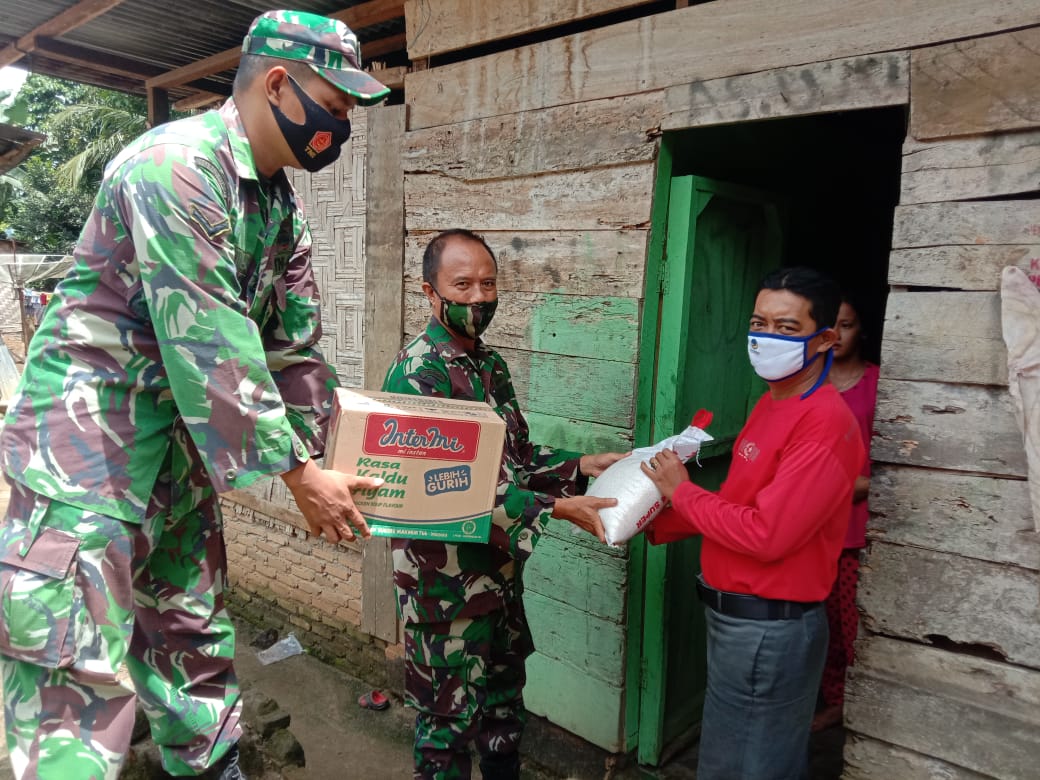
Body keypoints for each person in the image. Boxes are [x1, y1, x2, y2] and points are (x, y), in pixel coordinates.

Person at [0, 11, 390, 780]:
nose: (339, 127)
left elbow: (293, 348)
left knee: (190, 632)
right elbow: (208, 340)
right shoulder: (174, 166)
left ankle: (213, 770)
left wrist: (325, 457)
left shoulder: (277, 208)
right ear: (279, 84)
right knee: (76, 666)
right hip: (85, 455)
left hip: (176, 458)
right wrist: (298, 478)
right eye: (336, 106)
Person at [382, 228, 625, 780]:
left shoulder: (488, 366)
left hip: (498, 581)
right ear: (429, 292)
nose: (477, 297)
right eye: (461, 284)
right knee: (445, 734)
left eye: (487, 283)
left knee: (502, 720)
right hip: (444, 593)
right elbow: (436, 486)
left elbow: (513, 456)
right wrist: (556, 509)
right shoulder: (419, 375)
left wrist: (580, 467)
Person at [640, 266, 865, 780]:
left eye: (786, 328)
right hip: (740, 621)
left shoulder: (824, 422)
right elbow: (742, 503)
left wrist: (682, 490)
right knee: (729, 759)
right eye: (759, 323)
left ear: (825, 338)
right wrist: (655, 516)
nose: (765, 338)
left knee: (752, 767)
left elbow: (768, 533)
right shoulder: (774, 401)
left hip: (769, 626)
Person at [813, 294, 879, 732]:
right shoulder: (807, 382)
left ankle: (853, 708)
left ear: (862, 331)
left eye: (849, 325)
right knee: (818, 624)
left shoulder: (879, 382)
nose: (839, 335)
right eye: (832, 326)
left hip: (857, 520)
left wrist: (864, 486)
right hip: (811, 520)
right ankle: (829, 699)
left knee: (851, 622)